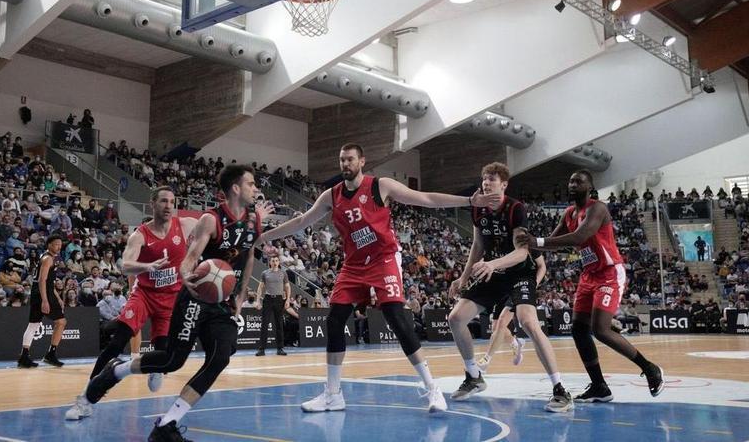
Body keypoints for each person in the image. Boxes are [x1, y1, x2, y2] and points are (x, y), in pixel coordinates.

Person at [258, 144, 500, 414]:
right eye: (341, 160)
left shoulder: (380, 186)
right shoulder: (332, 195)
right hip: (353, 265)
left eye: (350, 159)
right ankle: (333, 394)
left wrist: (468, 201)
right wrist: (265, 236)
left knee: (396, 318)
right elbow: (302, 221)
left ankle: (432, 388)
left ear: (362, 161)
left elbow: (425, 199)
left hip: (384, 260)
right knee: (335, 320)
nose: (345, 164)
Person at [85, 165, 268, 442]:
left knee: (221, 355)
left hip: (222, 302)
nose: (256, 189)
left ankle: (166, 425)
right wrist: (185, 275)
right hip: (194, 296)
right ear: (235, 188)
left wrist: (242, 294)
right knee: (172, 360)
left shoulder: (255, 219)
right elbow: (191, 256)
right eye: (251, 184)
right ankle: (117, 370)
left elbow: (250, 253)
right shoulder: (210, 219)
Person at [518, 170, 664, 402]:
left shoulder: (598, 208)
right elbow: (551, 243)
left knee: (600, 329)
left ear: (590, 186)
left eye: (579, 181)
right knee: (578, 329)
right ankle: (599, 386)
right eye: (571, 180)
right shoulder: (569, 213)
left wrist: (537, 241)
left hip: (609, 273)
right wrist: (525, 242)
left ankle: (649, 368)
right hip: (589, 276)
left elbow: (579, 237)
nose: (573, 184)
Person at [446, 162, 572, 413]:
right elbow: (477, 245)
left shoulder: (515, 208)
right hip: (493, 272)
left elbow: (522, 252)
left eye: (491, 178)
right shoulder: (478, 209)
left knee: (527, 321)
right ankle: (474, 376)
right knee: (456, 318)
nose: (486, 182)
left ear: (503, 184)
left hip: (518, 273)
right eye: (484, 178)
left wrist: (493, 264)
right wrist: (463, 276)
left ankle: (560, 389)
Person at [66, 186, 197, 421]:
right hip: (144, 295)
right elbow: (124, 265)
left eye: (172, 201)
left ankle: (156, 368)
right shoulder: (140, 235)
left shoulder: (185, 226)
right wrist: (147, 267)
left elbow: (213, 229)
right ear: (153, 204)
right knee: (118, 342)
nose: (168, 205)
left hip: (171, 299)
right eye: (163, 201)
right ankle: (86, 397)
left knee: (165, 354)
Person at [17, 235, 68, 368]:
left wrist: (57, 297)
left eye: (60, 244)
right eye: (56, 244)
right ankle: (51, 354)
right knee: (61, 321)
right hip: (43, 293)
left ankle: (24, 356)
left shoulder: (47, 257)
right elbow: (42, 280)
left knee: (33, 324)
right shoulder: (47, 259)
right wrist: (45, 300)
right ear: (49, 245)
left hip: (40, 292)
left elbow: (49, 282)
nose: (59, 246)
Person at [255, 255, 291, 356]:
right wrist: (258, 301)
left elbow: (287, 287)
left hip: (279, 299)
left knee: (279, 324)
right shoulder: (265, 273)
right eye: (273, 261)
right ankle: (261, 349)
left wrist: (287, 299)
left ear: (279, 262)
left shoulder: (283, 273)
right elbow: (260, 287)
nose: (275, 262)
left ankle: (280, 348)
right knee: (264, 324)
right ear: (270, 262)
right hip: (268, 299)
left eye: (276, 260)